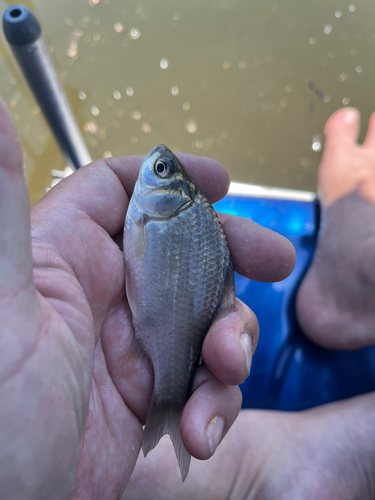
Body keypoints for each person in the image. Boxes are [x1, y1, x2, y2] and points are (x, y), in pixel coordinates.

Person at [0, 97, 373, 499]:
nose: (154, 166)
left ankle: (279, 462)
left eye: (160, 171)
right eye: (162, 170)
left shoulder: (144, 215)